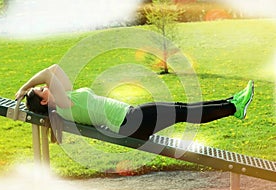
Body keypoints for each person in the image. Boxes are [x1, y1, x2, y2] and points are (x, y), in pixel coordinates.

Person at [15, 64, 254, 140]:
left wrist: (28, 90)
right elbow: (48, 73)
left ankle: (233, 102)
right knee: (183, 112)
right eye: (40, 90)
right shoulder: (64, 105)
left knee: (182, 109)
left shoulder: (64, 98)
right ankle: (234, 107)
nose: (43, 86)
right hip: (131, 122)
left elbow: (55, 69)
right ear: (45, 99)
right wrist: (25, 87)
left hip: (130, 119)